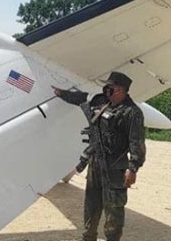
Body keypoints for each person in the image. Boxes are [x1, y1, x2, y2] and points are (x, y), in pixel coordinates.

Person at [53, 71, 146, 241]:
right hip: (96, 163)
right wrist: (62, 93)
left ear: (119, 89)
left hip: (115, 168)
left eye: (110, 87)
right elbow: (81, 99)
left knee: (114, 210)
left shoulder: (131, 113)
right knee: (91, 205)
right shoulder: (101, 103)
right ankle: (88, 237)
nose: (106, 89)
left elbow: (137, 142)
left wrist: (133, 168)